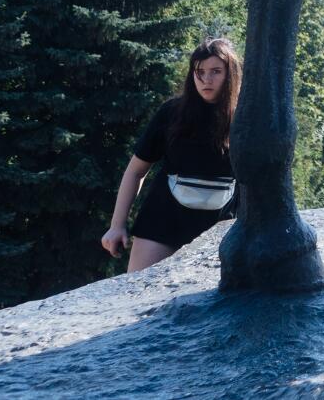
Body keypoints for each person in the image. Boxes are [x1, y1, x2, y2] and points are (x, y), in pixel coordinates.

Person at [101, 38, 241, 271]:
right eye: (200, 72)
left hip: (221, 229)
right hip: (162, 222)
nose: (206, 79)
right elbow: (136, 171)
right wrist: (117, 225)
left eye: (216, 71)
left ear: (231, 74)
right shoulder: (172, 113)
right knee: (138, 299)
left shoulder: (246, 118)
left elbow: (261, 181)